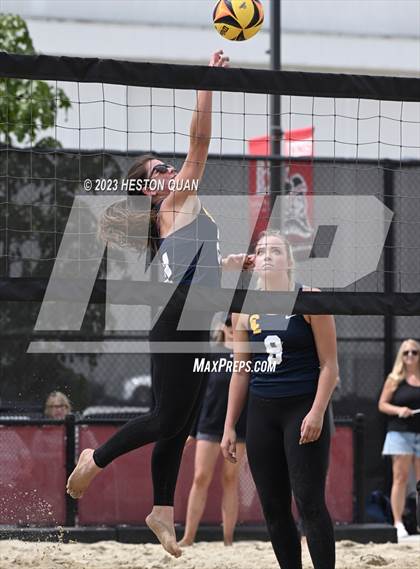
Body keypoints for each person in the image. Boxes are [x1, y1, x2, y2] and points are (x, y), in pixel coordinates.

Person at [66, 50, 252, 559]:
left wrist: (232, 263)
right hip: (177, 322)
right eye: (160, 170)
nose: (170, 170)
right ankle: (96, 458)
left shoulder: (180, 214)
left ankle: (161, 512)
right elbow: (200, 144)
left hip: (189, 318)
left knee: (177, 425)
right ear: (150, 192)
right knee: (166, 419)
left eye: (167, 166)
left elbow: (198, 268)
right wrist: (207, 83)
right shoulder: (173, 202)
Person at [221, 229, 338, 569]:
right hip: (262, 413)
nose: (267, 256)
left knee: (309, 502)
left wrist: (317, 411)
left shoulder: (309, 298)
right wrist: (229, 425)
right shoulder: (243, 308)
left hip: (303, 408)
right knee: (273, 507)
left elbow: (330, 365)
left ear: (289, 261)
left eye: (275, 250)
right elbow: (241, 370)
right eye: (261, 251)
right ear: (254, 262)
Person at [179, 313, 247, 547]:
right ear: (221, 326)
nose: (231, 326)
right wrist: (191, 430)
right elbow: (199, 394)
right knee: (200, 477)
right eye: (228, 322)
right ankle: (188, 537)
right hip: (209, 424)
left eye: (234, 322)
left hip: (239, 426)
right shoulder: (211, 353)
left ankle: (228, 540)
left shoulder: (247, 354)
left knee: (230, 479)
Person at [378, 338, 420, 539]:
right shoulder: (394, 379)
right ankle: (398, 523)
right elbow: (382, 405)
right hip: (399, 432)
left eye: (414, 352)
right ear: (401, 356)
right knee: (400, 478)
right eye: (406, 352)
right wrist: (399, 410)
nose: (410, 355)